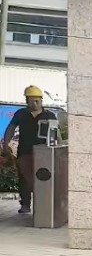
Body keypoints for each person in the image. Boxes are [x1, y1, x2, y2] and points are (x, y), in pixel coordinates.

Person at [3, 86, 56, 216]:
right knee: (24, 178)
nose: (35, 104)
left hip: (44, 153)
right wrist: (6, 143)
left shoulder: (49, 115)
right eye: (32, 101)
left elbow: (56, 133)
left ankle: (42, 203)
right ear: (27, 101)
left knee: (43, 177)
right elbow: (11, 127)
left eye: (37, 101)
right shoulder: (21, 114)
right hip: (25, 151)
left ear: (42, 100)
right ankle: (25, 204)